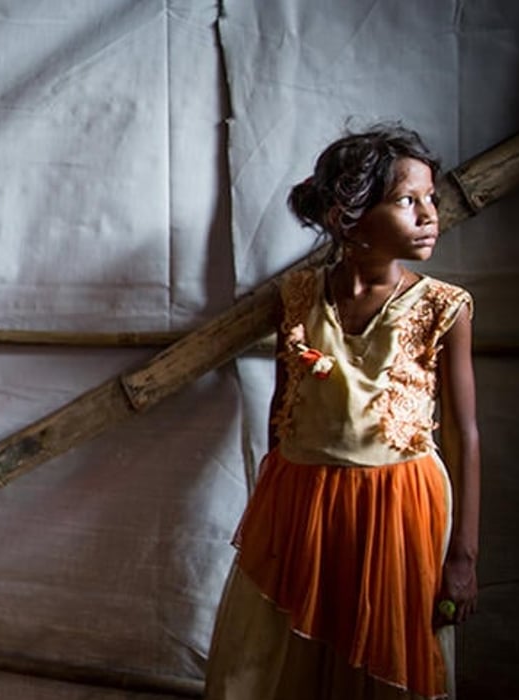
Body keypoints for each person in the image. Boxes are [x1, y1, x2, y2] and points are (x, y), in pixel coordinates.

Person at [204, 125, 480, 699]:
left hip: (399, 506)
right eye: (408, 200)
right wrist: (272, 512)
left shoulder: (443, 308)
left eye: (431, 198)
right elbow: (284, 416)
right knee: (278, 653)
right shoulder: (299, 300)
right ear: (345, 215)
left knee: (387, 651)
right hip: (300, 500)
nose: (430, 213)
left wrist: (463, 556)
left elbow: (463, 434)